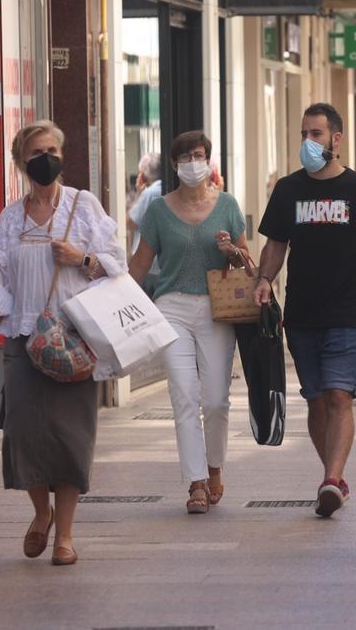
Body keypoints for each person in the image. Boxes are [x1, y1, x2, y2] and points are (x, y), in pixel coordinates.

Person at [0, 120, 127, 566]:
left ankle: (66, 536)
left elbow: (117, 264)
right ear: (22, 162)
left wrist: (83, 258)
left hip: (75, 340)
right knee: (23, 434)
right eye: (37, 151)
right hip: (24, 339)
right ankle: (42, 513)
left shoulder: (83, 205)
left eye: (52, 149)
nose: (46, 158)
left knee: (70, 438)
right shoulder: (10, 218)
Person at [253, 103, 356, 518]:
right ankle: (333, 475)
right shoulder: (288, 189)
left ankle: (331, 479)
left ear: (336, 139)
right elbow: (275, 245)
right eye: (304, 133)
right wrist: (265, 279)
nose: (308, 141)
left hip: (348, 313)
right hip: (301, 314)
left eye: (316, 134)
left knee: (340, 396)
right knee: (317, 401)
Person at [129, 131, 248, 514]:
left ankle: (215, 468)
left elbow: (248, 262)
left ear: (209, 161)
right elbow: (139, 268)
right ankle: (196, 482)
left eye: (198, 155)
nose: (192, 162)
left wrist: (231, 251)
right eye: (184, 157)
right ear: (175, 165)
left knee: (215, 400)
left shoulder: (227, 204)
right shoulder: (159, 210)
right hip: (172, 307)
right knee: (183, 394)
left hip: (217, 309)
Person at [128, 153, 163, 296]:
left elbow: (130, 222)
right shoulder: (166, 189)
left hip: (148, 266)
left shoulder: (150, 193)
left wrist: (138, 194)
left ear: (142, 174)